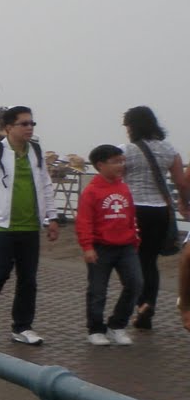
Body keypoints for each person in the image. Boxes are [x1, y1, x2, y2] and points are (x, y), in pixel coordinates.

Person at [0, 106, 60, 345]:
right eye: (24, 123)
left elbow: (46, 186)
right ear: (8, 127)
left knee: (28, 278)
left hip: (30, 225)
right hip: (0, 224)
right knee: (0, 272)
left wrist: (51, 218)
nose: (29, 128)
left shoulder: (36, 151)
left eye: (32, 123)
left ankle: (22, 327)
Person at [121, 105, 189, 330]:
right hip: (160, 211)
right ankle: (149, 303)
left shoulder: (126, 151)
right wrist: (184, 203)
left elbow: (115, 179)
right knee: (150, 260)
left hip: (133, 210)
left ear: (133, 126)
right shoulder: (169, 150)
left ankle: (140, 304)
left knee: (131, 259)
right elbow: (181, 182)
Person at [75, 143, 141, 346]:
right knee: (98, 290)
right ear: (100, 165)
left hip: (126, 246)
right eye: (115, 162)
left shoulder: (123, 187)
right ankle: (95, 329)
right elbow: (84, 221)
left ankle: (117, 325)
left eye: (122, 161)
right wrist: (87, 247)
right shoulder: (91, 191)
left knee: (135, 283)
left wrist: (134, 239)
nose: (120, 165)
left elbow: (130, 216)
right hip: (100, 247)